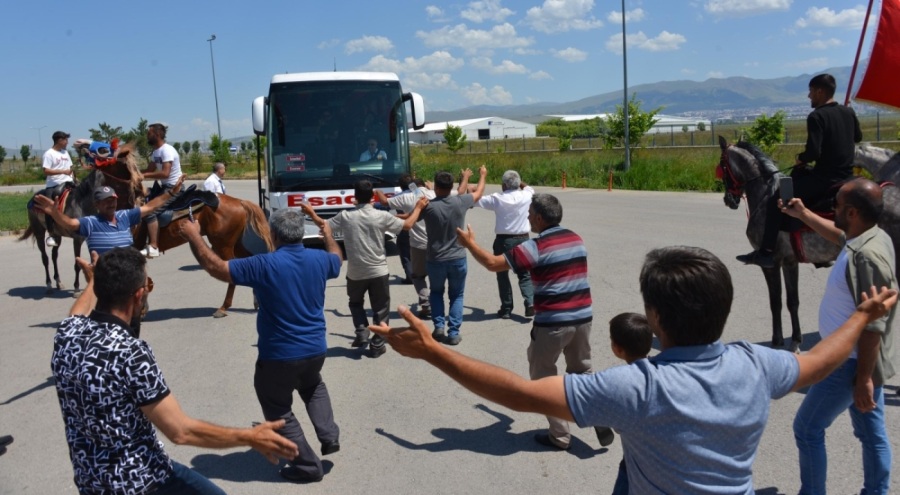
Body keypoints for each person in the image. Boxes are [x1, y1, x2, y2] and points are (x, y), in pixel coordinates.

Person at [370, 245, 897, 493]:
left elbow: (517, 393)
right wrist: (862, 316)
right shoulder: (758, 365)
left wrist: (434, 350)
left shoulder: (638, 386)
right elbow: (818, 361)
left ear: (655, 318)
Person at [52, 247, 298, 494]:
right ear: (138, 295)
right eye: (148, 284)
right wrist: (249, 437)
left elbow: (79, 311)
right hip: (141, 480)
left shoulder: (67, 334)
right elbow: (180, 431)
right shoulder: (130, 352)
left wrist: (94, 280)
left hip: (90, 481)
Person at [178, 208, 343, 483]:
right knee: (312, 385)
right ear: (301, 233)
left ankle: (307, 466)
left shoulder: (263, 265)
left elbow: (217, 268)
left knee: (277, 408)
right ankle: (329, 435)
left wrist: (195, 237)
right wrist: (328, 236)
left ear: (274, 235)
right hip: (316, 349)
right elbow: (337, 257)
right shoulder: (320, 260)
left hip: (279, 355)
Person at [781, 178, 896, 494]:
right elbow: (840, 237)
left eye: (837, 206)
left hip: (849, 362)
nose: (832, 209)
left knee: (807, 428)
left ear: (853, 212)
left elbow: (873, 325)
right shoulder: (869, 237)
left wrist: (863, 378)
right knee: (871, 434)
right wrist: (804, 214)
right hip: (854, 360)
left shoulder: (867, 257)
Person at [456, 193, 594, 450]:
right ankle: (597, 412)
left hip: (553, 322)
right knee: (582, 369)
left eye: (530, 214)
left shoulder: (536, 246)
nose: (528, 217)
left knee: (542, 379)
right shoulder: (576, 238)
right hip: (584, 317)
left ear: (540, 218)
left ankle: (560, 435)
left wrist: (469, 244)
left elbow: (492, 263)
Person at [738, 73, 862, 268]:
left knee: (776, 199)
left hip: (826, 178)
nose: (809, 96)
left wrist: (801, 159)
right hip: (847, 175)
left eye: (811, 91)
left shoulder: (816, 116)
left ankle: (766, 252)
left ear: (820, 91)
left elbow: (813, 151)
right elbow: (857, 137)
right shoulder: (848, 112)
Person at [301, 180, 428, 358]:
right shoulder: (381, 216)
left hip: (355, 272)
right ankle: (377, 343)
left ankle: (361, 331)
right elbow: (407, 226)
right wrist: (418, 208)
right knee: (381, 308)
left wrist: (311, 213)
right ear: (373, 197)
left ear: (354, 197)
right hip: (379, 271)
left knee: (355, 303)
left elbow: (324, 225)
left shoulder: (346, 216)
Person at [420, 166, 487, 346]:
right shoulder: (460, 202)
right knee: (457, 295)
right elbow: (479, 192)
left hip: (435, 259)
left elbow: (409, 219)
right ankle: (454, 332)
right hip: (457, 257)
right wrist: (482, 175)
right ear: (451, 187)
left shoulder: (428, 206)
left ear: (435, 187)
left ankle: (439, 326)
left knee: (436, 292)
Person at [475, 170, 535, 319]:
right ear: (518, 184)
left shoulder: (497, 199)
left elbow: (476, 199)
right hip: (523, 239)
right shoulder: (527, 195)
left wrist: (480, 178)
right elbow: (528, 187)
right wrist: (518, 180)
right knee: (524, 274)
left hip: (504, 240)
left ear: (503, 185)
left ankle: (506, 308)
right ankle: (530, 302)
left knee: (502, 274)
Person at [604, 312, 653, 495]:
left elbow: (618, 427)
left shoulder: (620, 385)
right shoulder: (662, 371)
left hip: (635, 463)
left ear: (617, 348)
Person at [140, 123, 183, 258]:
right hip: (165, 187)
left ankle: (153, 246)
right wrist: (133, 173)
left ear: (157, 134)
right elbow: (149, 170)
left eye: (149, 133)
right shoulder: (156, 152)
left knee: (149, 212)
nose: (147, 135)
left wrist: (144, 176)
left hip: (174, 188)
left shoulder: (167, 150)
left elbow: (165, 174)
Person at [41, 131, 74, 247]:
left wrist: (73, 177)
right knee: (50, 207)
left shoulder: (65, 153)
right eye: (65, 140)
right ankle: (51, 234)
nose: (67, 142)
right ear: (59, 140)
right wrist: (62, 172)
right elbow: (46, 171)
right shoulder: (49, 154)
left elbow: (70, 168)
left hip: (69, 182)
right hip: (54, 185)